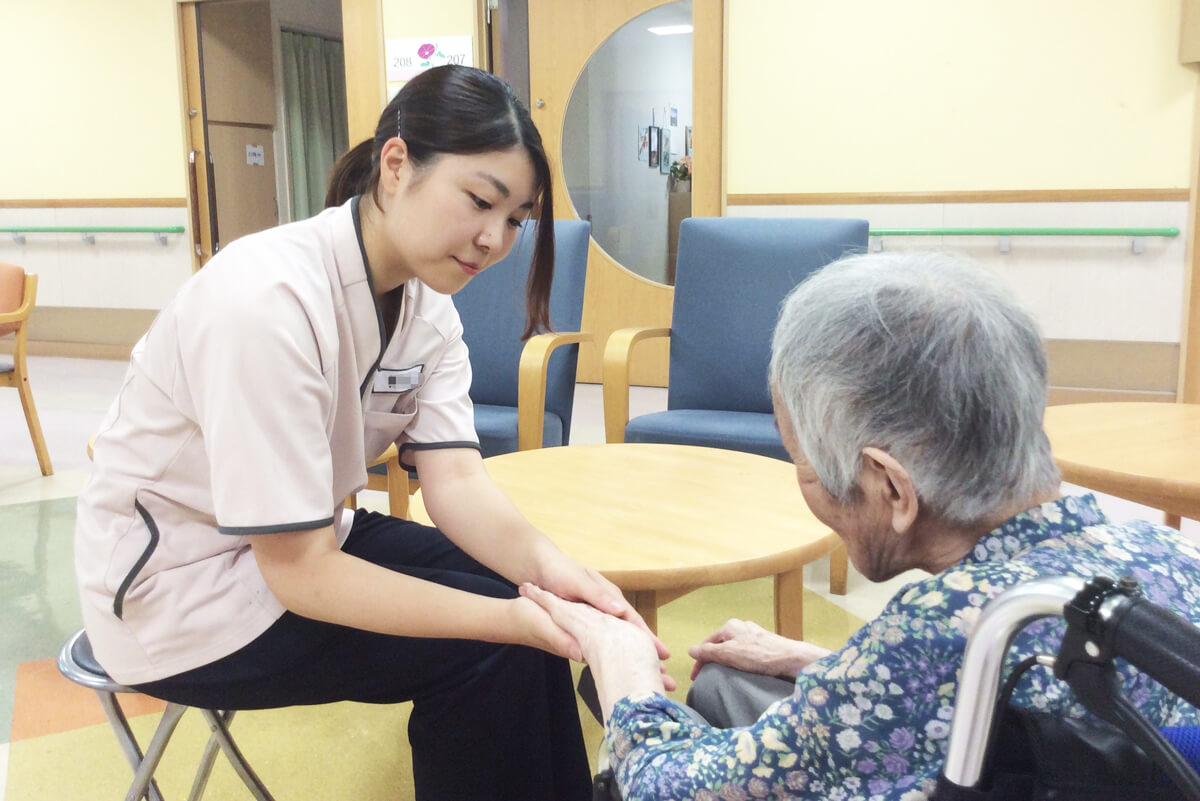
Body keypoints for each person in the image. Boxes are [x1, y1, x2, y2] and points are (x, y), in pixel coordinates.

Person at [74, 65, 668, 801]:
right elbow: (300, 573)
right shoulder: (265, 300)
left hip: (294, 546)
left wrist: (558, 574)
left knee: (529, 602)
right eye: (481, 200)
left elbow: (455, 485)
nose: (493, 238)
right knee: (491, 649)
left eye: (516, 219)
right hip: (183, 600)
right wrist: (511, 622)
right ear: (396, 165)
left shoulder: (426, 304)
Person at [523, 250, 1200, 801]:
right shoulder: (1169, 552)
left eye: (803, 463)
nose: (803, 483)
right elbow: (1039, 725)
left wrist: (626, 673)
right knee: (728, 683)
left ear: (890, 487)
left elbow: (668, 788)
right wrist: (821, 661)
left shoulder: (939, 632)